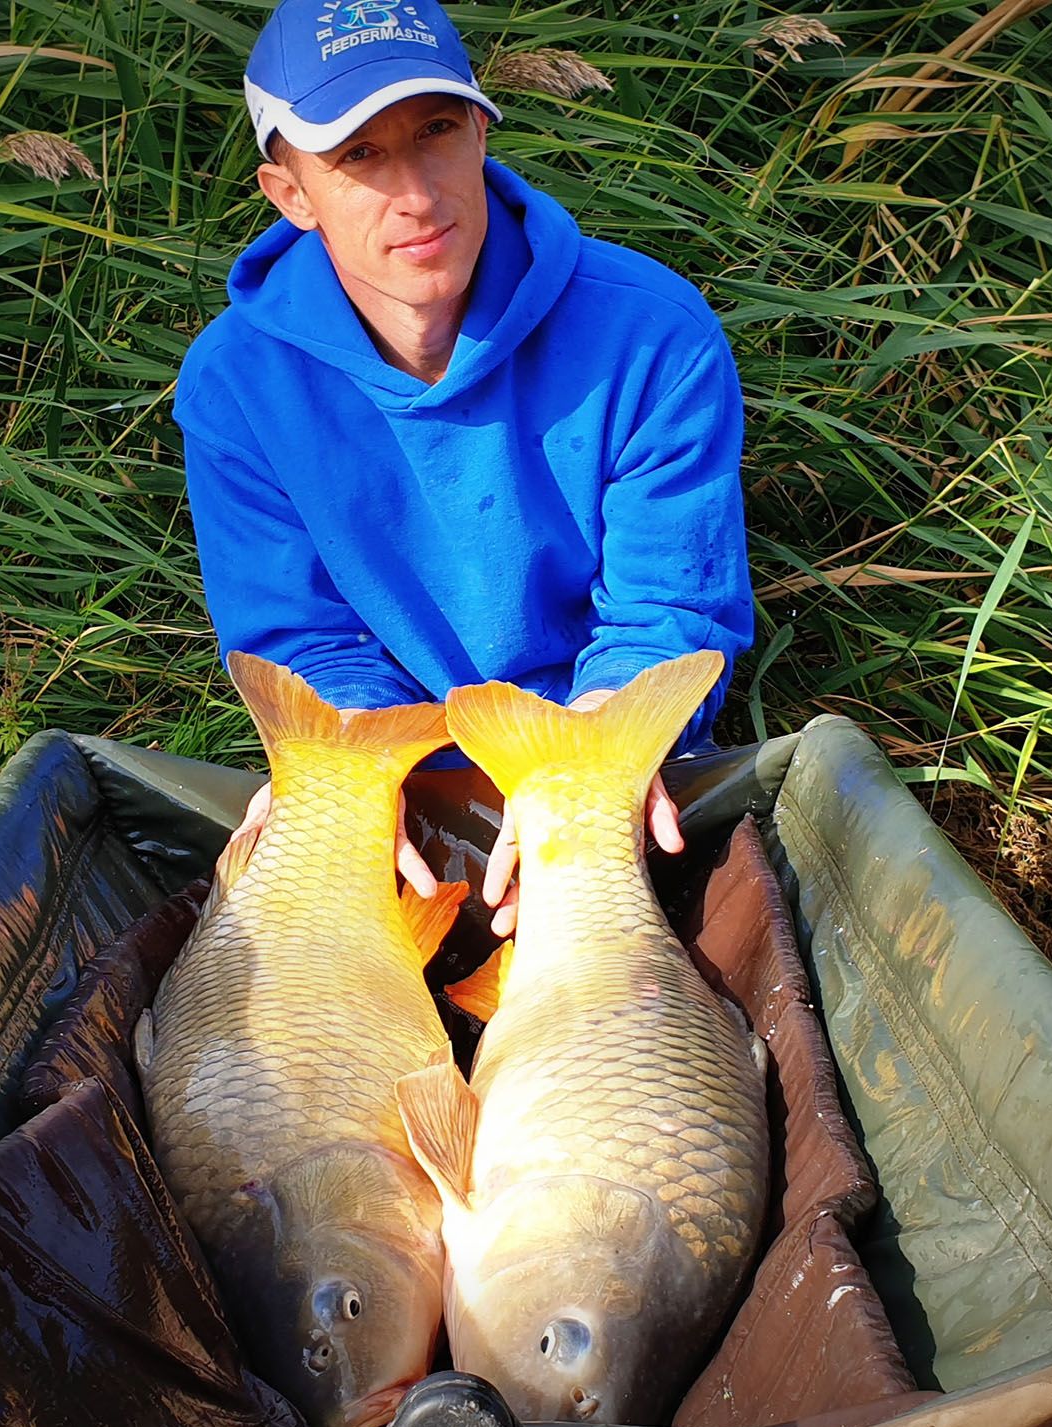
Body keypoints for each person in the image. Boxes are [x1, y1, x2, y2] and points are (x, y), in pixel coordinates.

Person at [174, 0, 751, 935]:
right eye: (358, 156)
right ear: (290, 195)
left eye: (435, 131)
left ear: (481, 130)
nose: (415, 194)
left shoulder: (650, 335)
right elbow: (304, 639)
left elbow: (667, 610)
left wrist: (583, 771)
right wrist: (346, 772)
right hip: (392, 776)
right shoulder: (237, 383)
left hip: (607, 757)